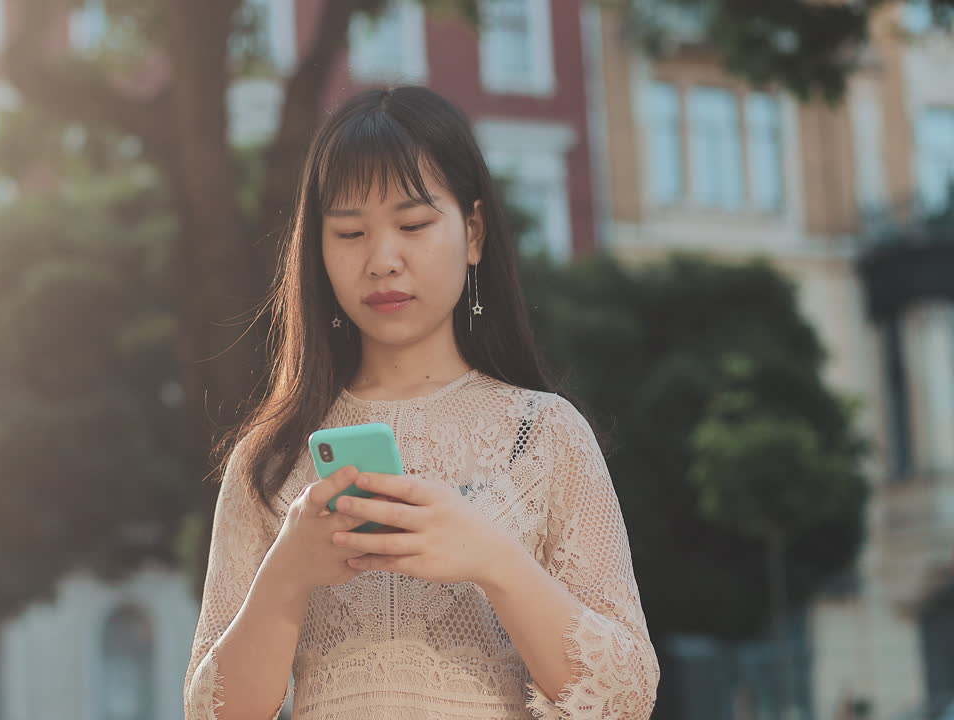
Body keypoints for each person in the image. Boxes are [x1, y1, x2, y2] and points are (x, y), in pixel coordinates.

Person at [183, 86, 659, 720]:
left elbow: (626, 698)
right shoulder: (268, 461)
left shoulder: (544, 435)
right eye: (350, 232)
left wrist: (493, 559)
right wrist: (287, 573)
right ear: (318, 250)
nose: (383, 260)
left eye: (412, 225)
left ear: (474, 232)